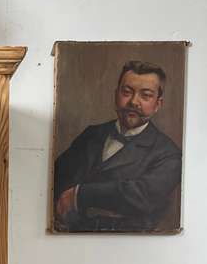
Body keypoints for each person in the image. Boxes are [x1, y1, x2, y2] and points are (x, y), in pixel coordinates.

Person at [54, 60, 182, 232]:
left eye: (145, 95)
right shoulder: (92, 134)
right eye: (127, 92)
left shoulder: (169, 153)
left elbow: (143, 196)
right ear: (116, 95)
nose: (134, 102)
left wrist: (79, 194)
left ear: (157, 104)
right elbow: (55, 177)